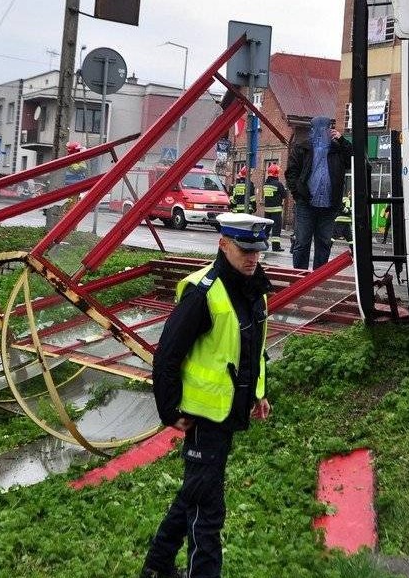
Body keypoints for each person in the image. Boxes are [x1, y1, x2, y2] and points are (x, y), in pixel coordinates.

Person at [141, 212, 274, 578]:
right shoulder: (202, 293)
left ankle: (155, 567)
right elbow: (167, 354)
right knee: (207, 510)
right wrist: (169, 409)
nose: (252, 258)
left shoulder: (254, 289)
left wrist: (258, 394)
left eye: (258, 252)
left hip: (228, 411)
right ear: (223, 244)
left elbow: (252, 350)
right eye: (244, 250)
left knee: (195, 493)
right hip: (202, 416)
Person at [285, 115, 352, 270]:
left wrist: (342, 140)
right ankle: (299, 279)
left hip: (329, 207)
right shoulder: (303, 148)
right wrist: (298, 194)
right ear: (312, 130)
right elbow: (291, 173)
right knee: (302, 243)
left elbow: (354, 159)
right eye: (319, 129)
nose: (323, 132)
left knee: (324, 244)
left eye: (326, 128)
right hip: (306, 205)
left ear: (331, 130)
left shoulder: (337, 150)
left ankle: (317, 279)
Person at [261, 163, 286, 252]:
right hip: (276, 210)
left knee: (267, 227)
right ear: (276, 173)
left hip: (267, 210)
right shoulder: (278, 184)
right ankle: (276, 247)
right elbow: (284, 195)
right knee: (276, 228)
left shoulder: (265, 184)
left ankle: (262, 242)